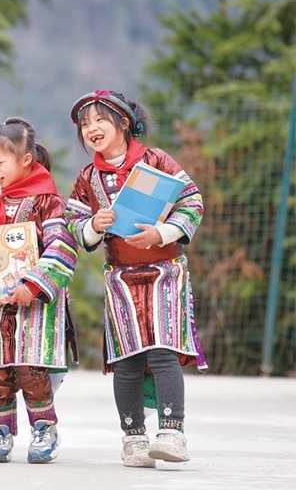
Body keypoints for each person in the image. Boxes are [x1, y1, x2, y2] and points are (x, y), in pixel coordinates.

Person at [64, 90, 206, 468]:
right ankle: (134, 439)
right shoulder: (86, 178)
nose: (91, 129)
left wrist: (161, 234)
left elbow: (192, 202)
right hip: (120, 278)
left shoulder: (157, 160)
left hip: (165, 272)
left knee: (162, 352)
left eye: (99, 120)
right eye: (84, 125)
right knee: (126, 360)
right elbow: (73, 223)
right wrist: (94, 224)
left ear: (124, 123)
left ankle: (172, 433)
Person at [0, 117, 78, 464]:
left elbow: (62, 247)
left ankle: (44, 428)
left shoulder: (48, 200)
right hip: (1, 305)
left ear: (26, 160)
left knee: (31, 372)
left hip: (36, 308)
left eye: (2, 161)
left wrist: (33, 286)